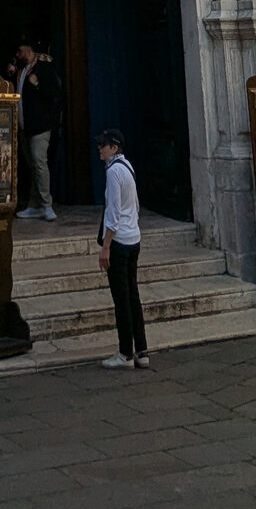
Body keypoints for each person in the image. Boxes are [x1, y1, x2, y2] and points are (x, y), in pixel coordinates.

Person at [97, 130, 148, 369]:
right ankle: (142, 351)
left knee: (121, 299)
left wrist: (106, 246)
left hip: (119, 243)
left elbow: (113, 212)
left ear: (114, 148)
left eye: (103, 145)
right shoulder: (128, 167)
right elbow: (134, 205)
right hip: (133, 239)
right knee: (133, 296)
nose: (100, 149)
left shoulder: (113, 172)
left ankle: (125, 353)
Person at [14, 42, 61, 221]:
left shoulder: (43, 69)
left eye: (20, 51)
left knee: (39, 162)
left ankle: (46, 205)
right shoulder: (22, 70)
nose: (18, 55)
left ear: (28, 50)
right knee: (33, 165)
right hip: (24, 127)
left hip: (40, 126)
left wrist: (37, 83)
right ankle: (34, 205)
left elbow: (54, 93)